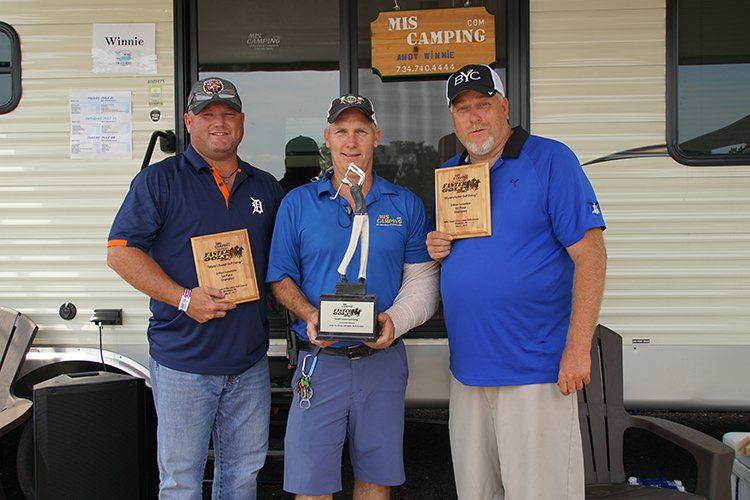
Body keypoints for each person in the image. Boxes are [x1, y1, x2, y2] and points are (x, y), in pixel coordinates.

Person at [427, 64, 607, 499]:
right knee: (477, 492)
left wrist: (578, 348)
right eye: (462, 108)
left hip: (536, 369)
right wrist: (439, 245)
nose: (474, 117)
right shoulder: (453, 175)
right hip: (469, 370)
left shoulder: (550, 159)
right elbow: (472, 253)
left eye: (484, 105)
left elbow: (591, 256)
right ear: (452, 118)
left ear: (504, 107)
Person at [107, 77, 284, 499]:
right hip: (183, 363)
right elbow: (121, 254)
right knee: (181, 480)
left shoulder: (265, 187)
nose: (219, 123)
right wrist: (185, 299)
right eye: (208, 115)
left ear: (242, 122)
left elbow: (286, 263)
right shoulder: (158, 181)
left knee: (242, 476)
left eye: (228, 114)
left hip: (248, 363)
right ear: (189, 122)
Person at [267, 94, 439, 499]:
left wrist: (395, 321)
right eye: (341, 131)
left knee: (376, 478)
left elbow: (423, 281)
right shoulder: (298, 204)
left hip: (381, 360)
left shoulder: (405, 205)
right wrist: (309, 314)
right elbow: (279, 278)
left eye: (360, 130)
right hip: (319, 360)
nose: (351, 141)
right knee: (311, 482)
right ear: (327, 138)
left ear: (376, 137)